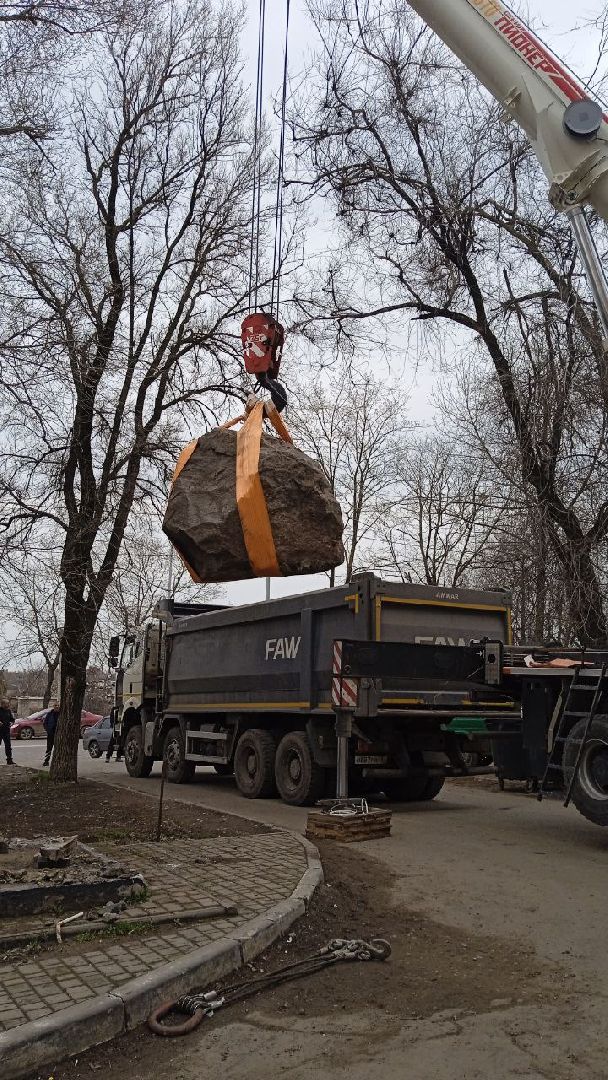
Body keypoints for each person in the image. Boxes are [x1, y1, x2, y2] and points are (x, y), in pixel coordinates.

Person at [43, 701, 60, 767]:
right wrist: (48, 730)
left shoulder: (62, 714)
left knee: (58, 748)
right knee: (49, 748)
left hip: (58, 734)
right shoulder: (50, 714)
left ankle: (57, 761)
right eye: (55, 705)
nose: (57, 707)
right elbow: (45, 723)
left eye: (58, 705)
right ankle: (46, 761)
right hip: (50, 734)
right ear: (53, 706)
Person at [0, 698, 14, 765]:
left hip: (6, 730)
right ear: (2, 704)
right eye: (6, 703)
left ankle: (9, 760)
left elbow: (12, 719)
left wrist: (11, 723)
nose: (8, 705)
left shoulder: (8, 711)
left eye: (8, 703)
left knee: (8, 746)